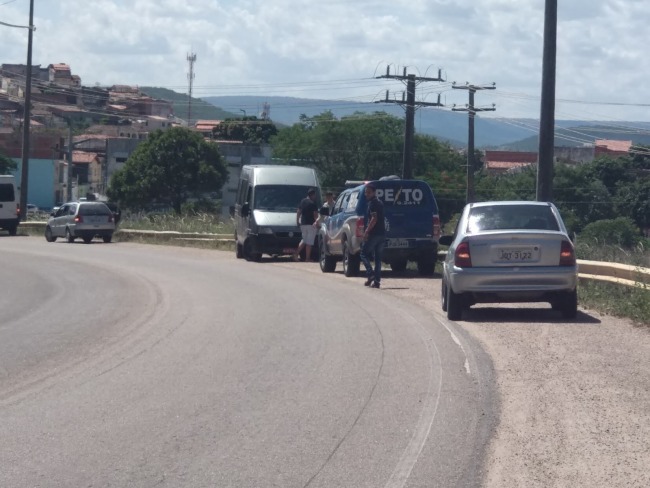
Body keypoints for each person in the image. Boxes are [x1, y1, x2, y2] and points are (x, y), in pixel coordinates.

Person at [360, 183, 385, 288]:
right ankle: (377, 282)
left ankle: (370, 274)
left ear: (374, 192)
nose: (366, 194)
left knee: (363, 253)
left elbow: (374, 219)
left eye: (369, 192)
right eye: (366, 192)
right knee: (378, 259)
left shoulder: (372, 204)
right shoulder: (380, 203)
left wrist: (366, 231)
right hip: (382, 234)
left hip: (374, 234)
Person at [294, 188, 319, 262]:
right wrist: (317, 223)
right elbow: (315, 215)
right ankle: (307, 258)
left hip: (303, 224)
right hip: (311, 225)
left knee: (304, 240)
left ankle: (295, 254)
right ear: (313, 195)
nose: (315, 196)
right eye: (314, 195)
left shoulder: (303, 201)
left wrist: (297, 221)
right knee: (309, 242)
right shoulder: (313, 203)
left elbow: (299, 211)